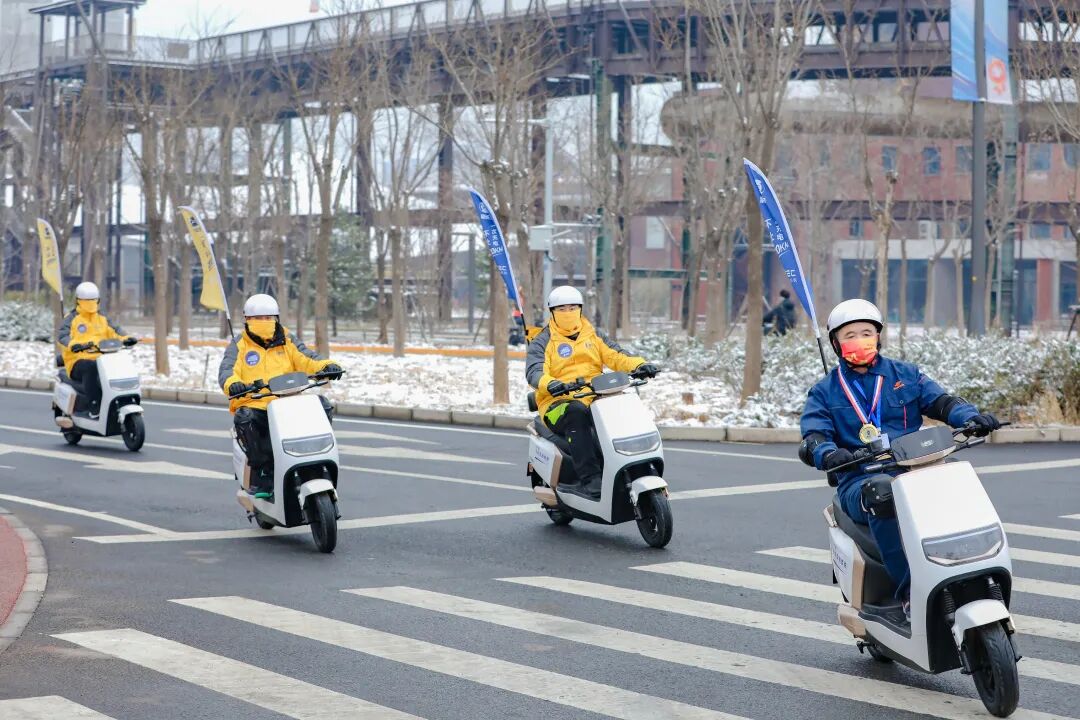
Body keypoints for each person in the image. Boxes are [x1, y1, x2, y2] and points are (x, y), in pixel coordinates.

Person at [799, 299, 1001, 622]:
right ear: (836, 343)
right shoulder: (824, 392)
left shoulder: (906, 375)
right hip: (861, 479)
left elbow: (943, 403)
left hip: (914, 468)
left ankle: (974, 572)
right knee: (883, 492)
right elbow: (813, 437)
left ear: (878, 336)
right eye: (850, 335)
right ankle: (910, 593)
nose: (860, 340)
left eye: (867, 333)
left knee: (957, 480)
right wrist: (829, 453)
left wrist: (972, 417)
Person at [526, 285, 660, 498]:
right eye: (562, 309)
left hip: (596, 397)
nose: (568, 313)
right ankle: (590, 479)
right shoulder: (542, 341)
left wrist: (640, 365)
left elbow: (616, 355)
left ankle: (634, 467)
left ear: (580, 309)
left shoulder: (593, 334)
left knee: (623, 408)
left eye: (572, 308)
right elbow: (534, 371)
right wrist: (550, 383)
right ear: (552, 312)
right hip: (557, 404)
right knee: (576, 412)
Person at [218, 294, 343, 498]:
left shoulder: (287, 339)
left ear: (276, 318)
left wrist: (327, 366)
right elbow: (227, 370)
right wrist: (233, 384)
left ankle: (318, 458)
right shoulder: (239, 344)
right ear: (247, 320)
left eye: (268, 318)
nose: (264, 322)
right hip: (257, 405)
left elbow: (308, 358)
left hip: (289, 402)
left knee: (322, 404)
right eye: (258, 318)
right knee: (245, 418)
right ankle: (263, 472)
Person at [58, 281, 137, 418]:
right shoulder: (71, 318)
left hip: (102, 359)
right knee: (91, 367)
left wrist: (127, 338)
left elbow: (117, 331)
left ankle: (118, 401)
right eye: (87, 301)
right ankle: (94, 406)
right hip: (77, 360)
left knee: (118, 366)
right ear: (78, 301)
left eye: (93, 300)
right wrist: (74, 344)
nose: (91, 304)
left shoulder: (103, 318)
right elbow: (62, 337)